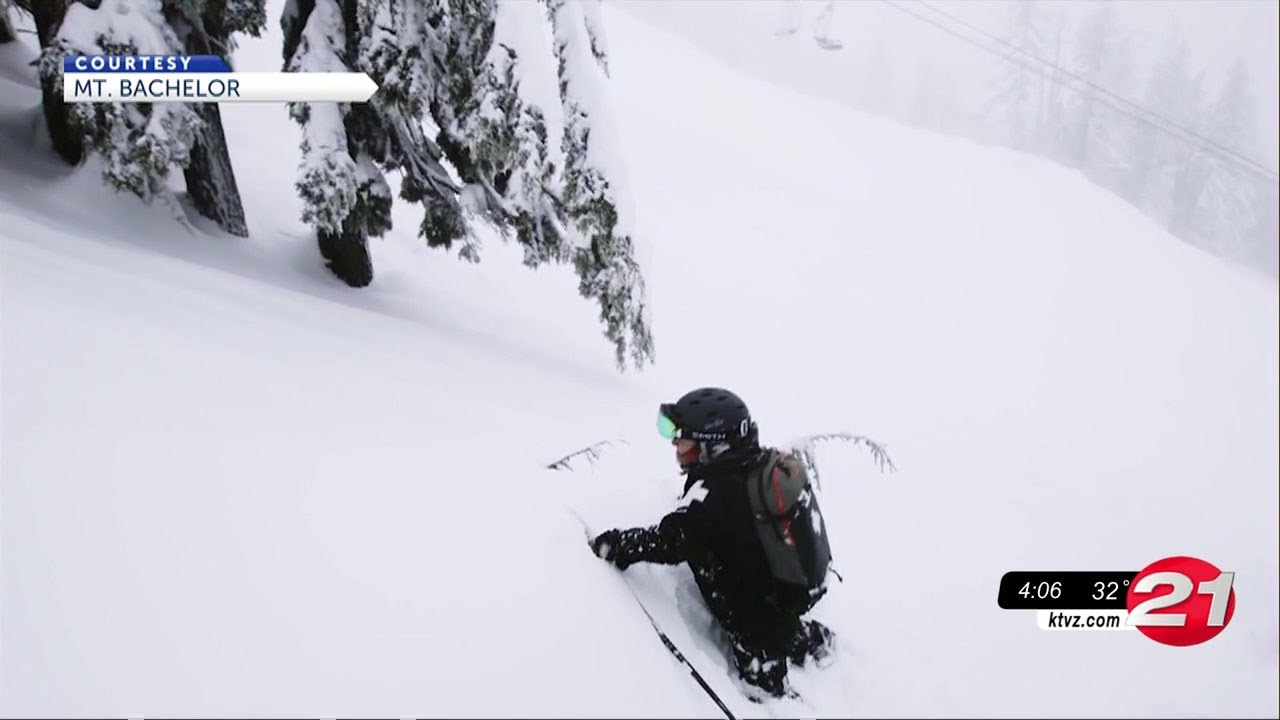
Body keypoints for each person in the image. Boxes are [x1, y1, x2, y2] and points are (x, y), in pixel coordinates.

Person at [588, 387, 836, 700]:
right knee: (778, 627)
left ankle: (780, 697)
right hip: (768, 590)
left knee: (767, 691)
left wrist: (616, 545)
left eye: (680, 435)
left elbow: (669, 541)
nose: (674, 442)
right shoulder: (748, 465)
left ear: (712, 444)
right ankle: (813, 642)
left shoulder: (716, 493)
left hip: (757, 618)